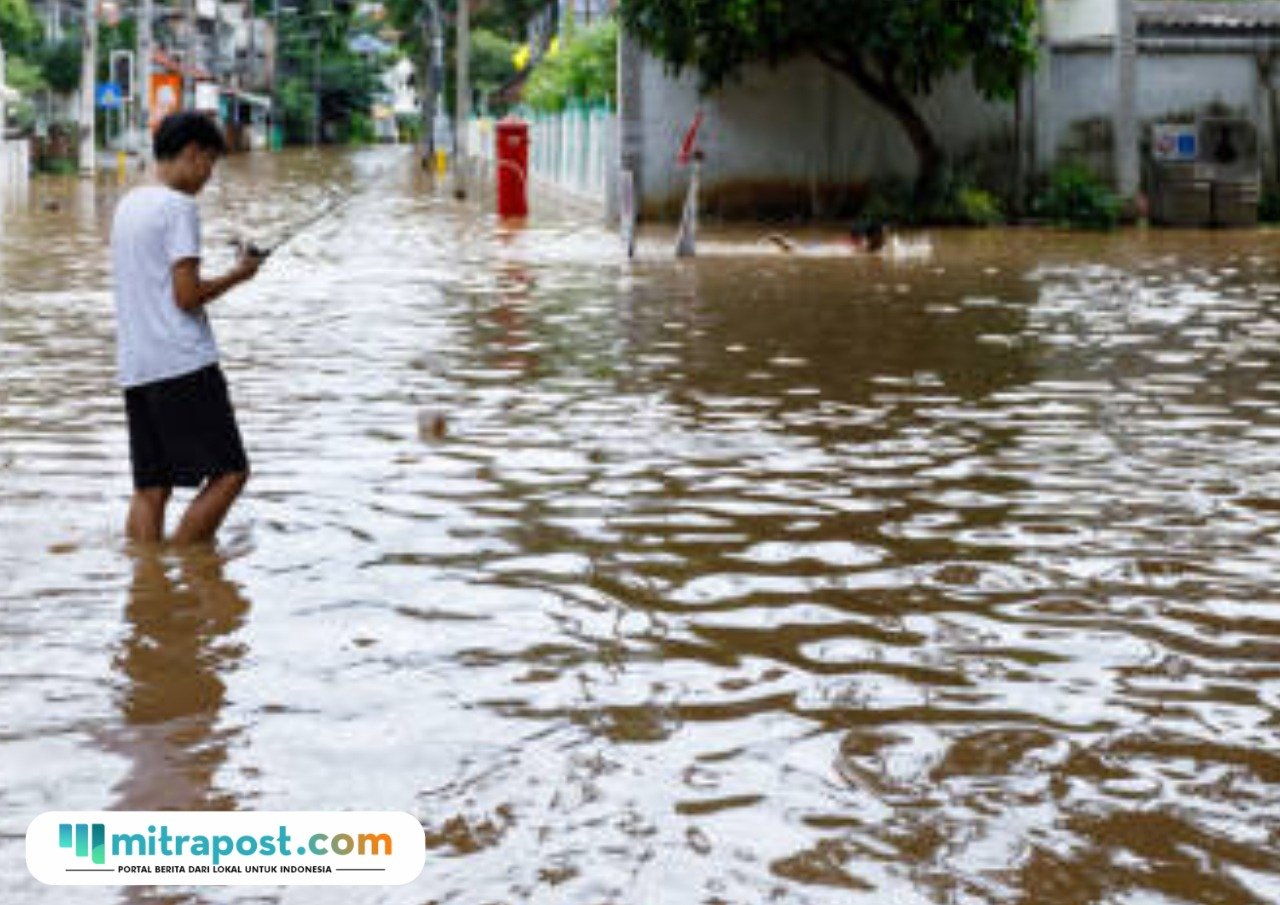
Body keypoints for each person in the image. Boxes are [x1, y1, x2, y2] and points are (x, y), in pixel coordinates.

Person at [112, 112, 264, 545]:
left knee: (150, 488)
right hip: (182, 364)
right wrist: (240, 274)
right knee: (231, 472)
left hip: (137, 367)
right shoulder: (179, 208)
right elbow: (186, 295)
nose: (208, 176)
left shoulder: (129, 204)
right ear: (193, 153)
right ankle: (186, 560)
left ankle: (149, 580)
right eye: (210, 164)